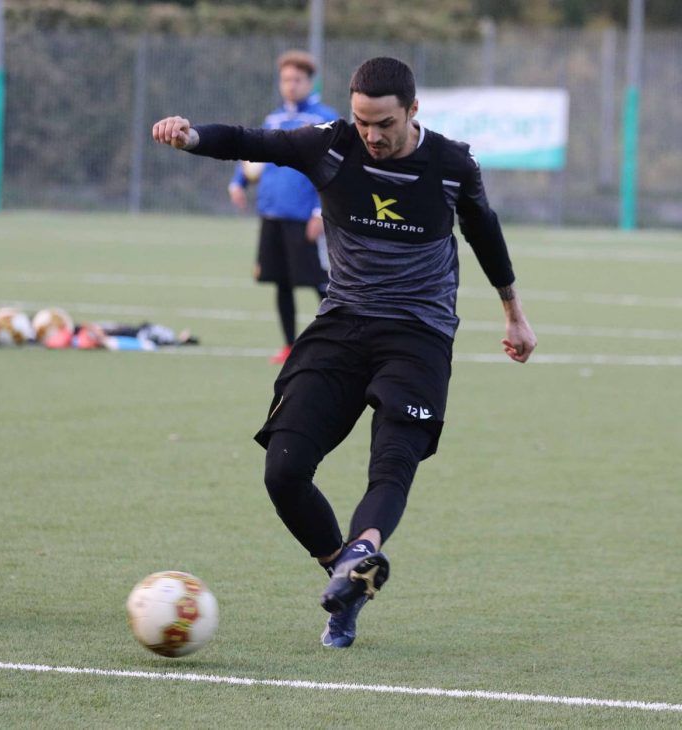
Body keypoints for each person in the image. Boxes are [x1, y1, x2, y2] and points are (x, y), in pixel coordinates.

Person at [153, 56, 536, 648]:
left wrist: (513, 311)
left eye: (384, 123)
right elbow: (252, 141)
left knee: (391, 460)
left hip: (419, 335)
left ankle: (361, 553)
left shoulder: (452, 164)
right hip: (342, 325)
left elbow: (484, 231)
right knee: (283, 471)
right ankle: (347, 571)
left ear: (412, 112)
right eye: (362, 122)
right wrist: (192, 134)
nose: (372, 136)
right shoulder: (329, 146)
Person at [229, 51, 338, 365]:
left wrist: (320, 211)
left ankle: (338, 345)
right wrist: (239, 181)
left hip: (304, 216)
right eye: (286, 79)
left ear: (309, 82)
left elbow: (331, 169)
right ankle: (290, 346)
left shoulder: (323, 119)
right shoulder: (273, 119)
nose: (290, 85)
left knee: (322, 284)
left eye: (297, 80)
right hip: (272, 213)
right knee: (281, 282)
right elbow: (256, 154)